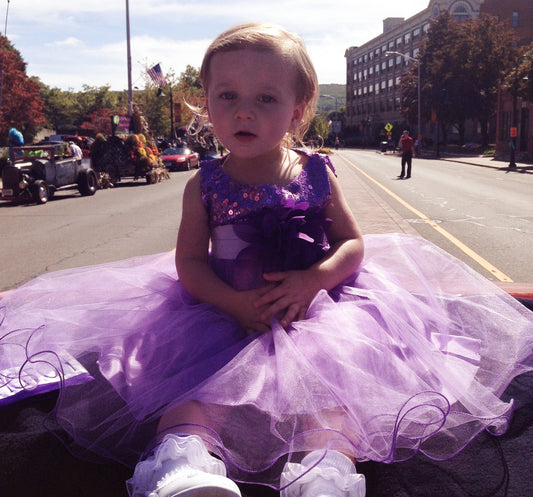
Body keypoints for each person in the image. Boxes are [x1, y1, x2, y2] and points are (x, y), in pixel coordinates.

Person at [0, 22, 532, 497]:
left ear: (298, 110)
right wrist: (230, 303)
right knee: (195, 393)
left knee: (327, 402)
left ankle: (323, 474)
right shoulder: (205, 183)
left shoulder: (317, 173)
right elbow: (189, 261)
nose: (243, 111)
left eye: (265, 99)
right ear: (205, 105)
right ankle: (183, 467)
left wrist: (314, 280)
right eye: (226, 96)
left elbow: (352, 244)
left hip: (315, 316)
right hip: (221, 312)